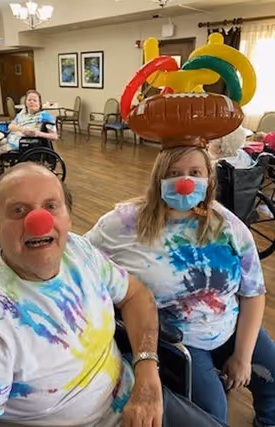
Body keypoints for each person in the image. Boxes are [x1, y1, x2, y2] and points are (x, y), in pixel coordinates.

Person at [0, 162, 225, 427]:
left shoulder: (79, 250)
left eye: (50, 206)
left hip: (137, 397)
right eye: (18, 210)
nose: (39, 221)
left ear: (67, 217)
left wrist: (146, 371)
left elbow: (136, 295)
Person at [85, 143, 275, 427]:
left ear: (208, 179)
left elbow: (253, 293)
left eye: (195, 172)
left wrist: (242, 357)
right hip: (179, 339)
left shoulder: (228, 225)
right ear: (159, 178)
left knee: (272, 378)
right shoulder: (121, 224)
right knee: (212, 414)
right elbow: (78, 255)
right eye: (174, 173)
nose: (185, 182)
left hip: (230, 324)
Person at [0, 90, 58, 168]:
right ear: (25, 102)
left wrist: (37, 133)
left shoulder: (45, 116)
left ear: (39, 103)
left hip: (22, 143)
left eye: (35, 100)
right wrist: (21, 129)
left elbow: (54, 136)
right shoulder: (23, 113)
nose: (32, 102)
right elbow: (10, 126)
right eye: (29, 100)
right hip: (11, 138)